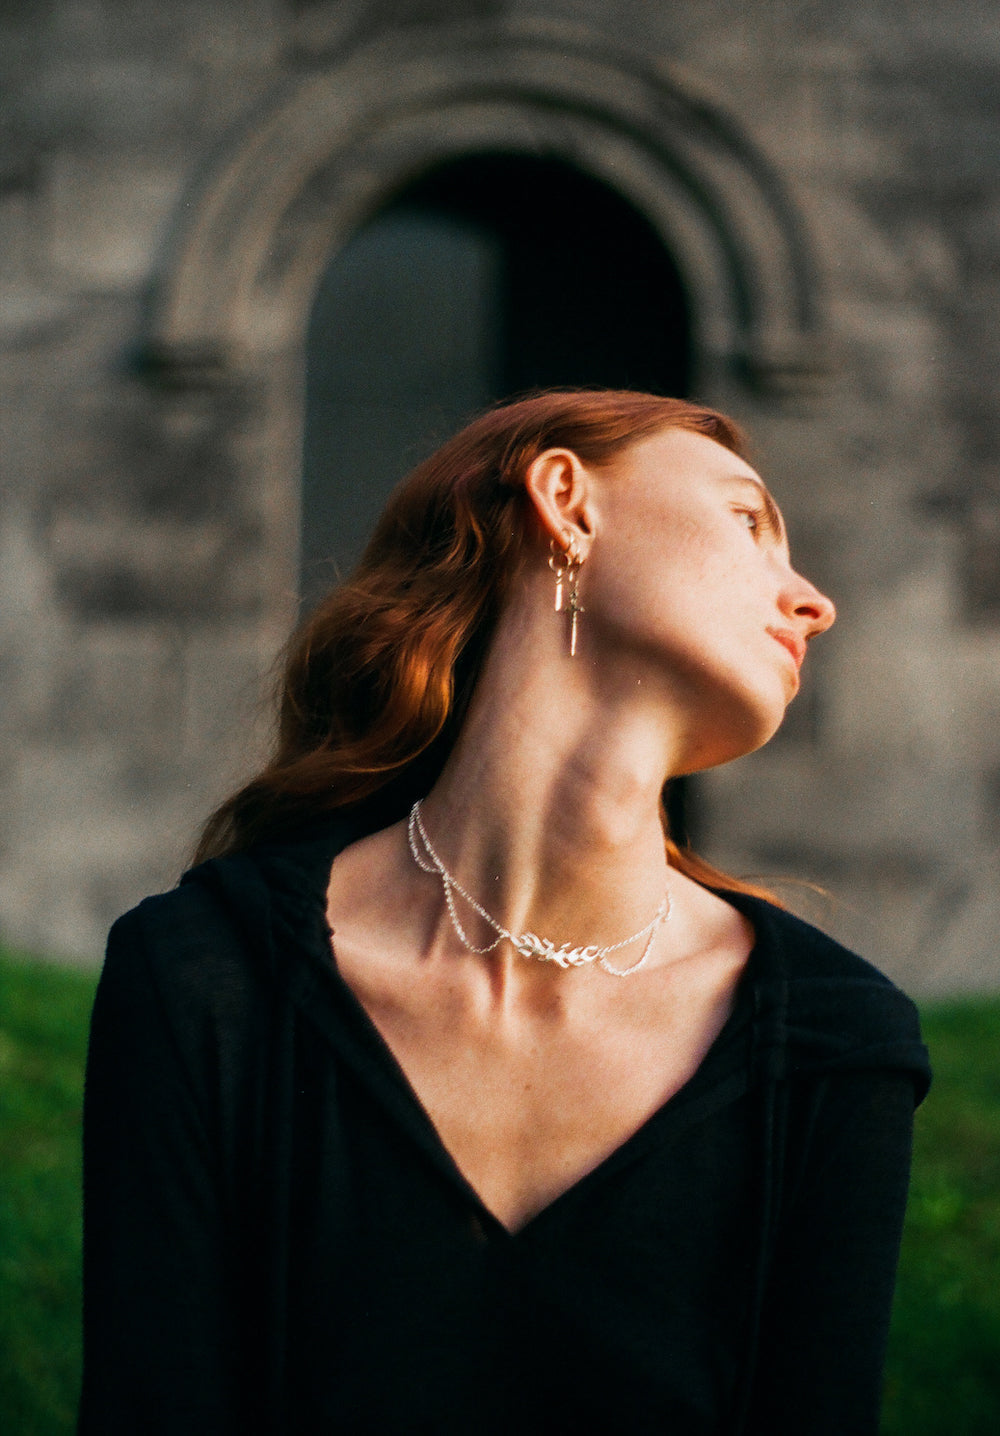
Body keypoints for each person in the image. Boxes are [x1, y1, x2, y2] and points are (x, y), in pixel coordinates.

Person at [79, 390, 930, 1435]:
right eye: (748, 519)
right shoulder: (207, 974)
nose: (814, 602)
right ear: (566, 501)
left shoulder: (836, 1040)